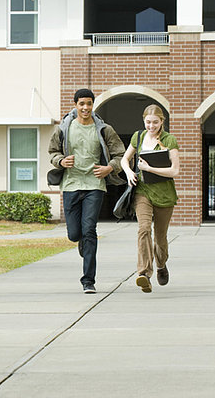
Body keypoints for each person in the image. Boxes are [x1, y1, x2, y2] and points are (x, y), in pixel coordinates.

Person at [48, 88, 126, 294]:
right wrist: (61, 161)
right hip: (71, 185)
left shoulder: (104, 129)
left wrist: (110, 167)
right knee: (75, 234)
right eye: (81, 103)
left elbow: (121, 154)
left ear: (93, 105)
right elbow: (52, 153)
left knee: (90, 230)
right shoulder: (64, 128)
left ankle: (88, 281)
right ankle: (81, 240)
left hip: (94, 185)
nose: (85, 107)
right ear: (75, 105)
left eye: (89, 104)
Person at [120, 104, 180, 293]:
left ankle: (161, 265)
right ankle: (144, 274)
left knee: (160, 238)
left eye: (155, 122)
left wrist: (149, 169)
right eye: (148, 122)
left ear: (162, 121)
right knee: (144, 229)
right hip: (142, 191)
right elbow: (124, 159)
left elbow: (174, 171)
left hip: (164, 194)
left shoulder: (169, 140)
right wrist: (129, 171)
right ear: (143, 121)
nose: (151, 126)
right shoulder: (138, 137)